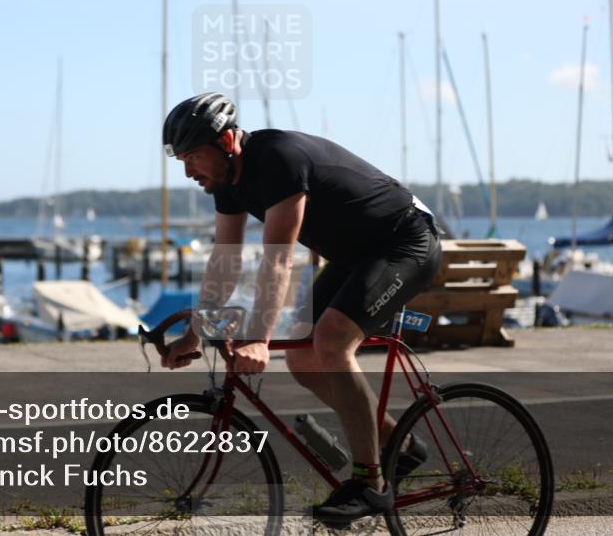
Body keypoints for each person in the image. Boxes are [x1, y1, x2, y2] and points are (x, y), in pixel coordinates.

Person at [161, 92, 442, 525]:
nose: (188, 171)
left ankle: (370, 484)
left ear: (228, 142)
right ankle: (399, 447)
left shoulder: (278, 159)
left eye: (194, 157)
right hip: (355, 256)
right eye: (181, 160)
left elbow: (278, 258)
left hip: (405, 242)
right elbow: (225, 261)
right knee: (303, 358)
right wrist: (195, 334)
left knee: (331, 341)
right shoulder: (228, 185)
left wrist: (257, 338)